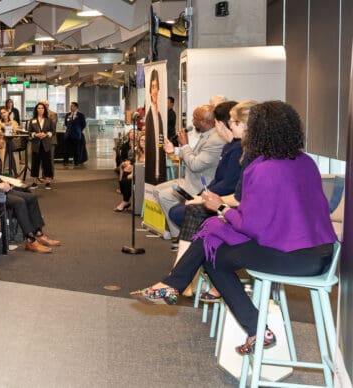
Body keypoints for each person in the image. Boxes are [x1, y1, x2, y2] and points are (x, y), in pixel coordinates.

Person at [131, 101, 338, 356]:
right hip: (322, 255)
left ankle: (252, 326)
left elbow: (252, 227)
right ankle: (177, 286)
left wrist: (221, 208)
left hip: (292, 257)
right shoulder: (305, 162)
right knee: (212, 239)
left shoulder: (263, 169)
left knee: (212, 251)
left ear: (257, 131)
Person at [0, 127, 60, 254]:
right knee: (19, 201)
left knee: (31, 197)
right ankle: (30, 241)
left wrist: (4, 183)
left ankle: (38, 233)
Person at [155, 105, 227, 241]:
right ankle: (178, 232)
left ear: (204, 122)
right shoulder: (207, 135)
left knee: (165, 196)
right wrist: (175, 150)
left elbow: (195, 165)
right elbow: (195, 155)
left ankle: (182, 235)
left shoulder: (215, 140)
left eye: (195, 118)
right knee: (157, 190)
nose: (192, 122)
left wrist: (185, 145)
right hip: (190, 180)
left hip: (200, 186)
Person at [27, 102, 56, 189]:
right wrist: (35, 135)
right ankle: (34, 182)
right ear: (36, 109)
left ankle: (47, 182)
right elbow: (29, 132)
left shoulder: (49, 120)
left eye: (42, 108)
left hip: (46, 144)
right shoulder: (32, 120)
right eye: (39, 108)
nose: (40, 110)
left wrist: (46, 134)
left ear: (44, 110)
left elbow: (53, 131)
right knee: (35, 163)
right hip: (36, 144)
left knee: (47, 163)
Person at [64, 102, 87, 166]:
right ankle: (66, 161)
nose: (71, 107)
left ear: (76, 107)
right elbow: (66, 123)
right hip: (68, 135)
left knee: (76, 149)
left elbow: (83, 124)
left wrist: (78, 130)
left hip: (76, 135)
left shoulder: (80, 115)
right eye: (70, 106)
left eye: (72, 106)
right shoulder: (67, 115)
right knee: (66, 149)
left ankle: (76, 162)